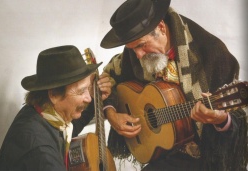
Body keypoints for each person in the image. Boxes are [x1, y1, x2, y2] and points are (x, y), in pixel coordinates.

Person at [99, 0, 248, 170]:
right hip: (168, 153)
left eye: (141, 45)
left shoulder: (213, 54)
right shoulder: (134, 53)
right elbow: (107, 78)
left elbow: (239, 121)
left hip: (210, 155)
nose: (138, 55)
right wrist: (111, 113)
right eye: (132, 49)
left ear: (161, 28)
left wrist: (221, 120)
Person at [0, 45, 112, 171]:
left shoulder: (42, 114)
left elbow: (73, 124)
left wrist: (97, 99)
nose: (88, 98)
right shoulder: (40, 151)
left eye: (88, 88)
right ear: (54, 94)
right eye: (81, 91)